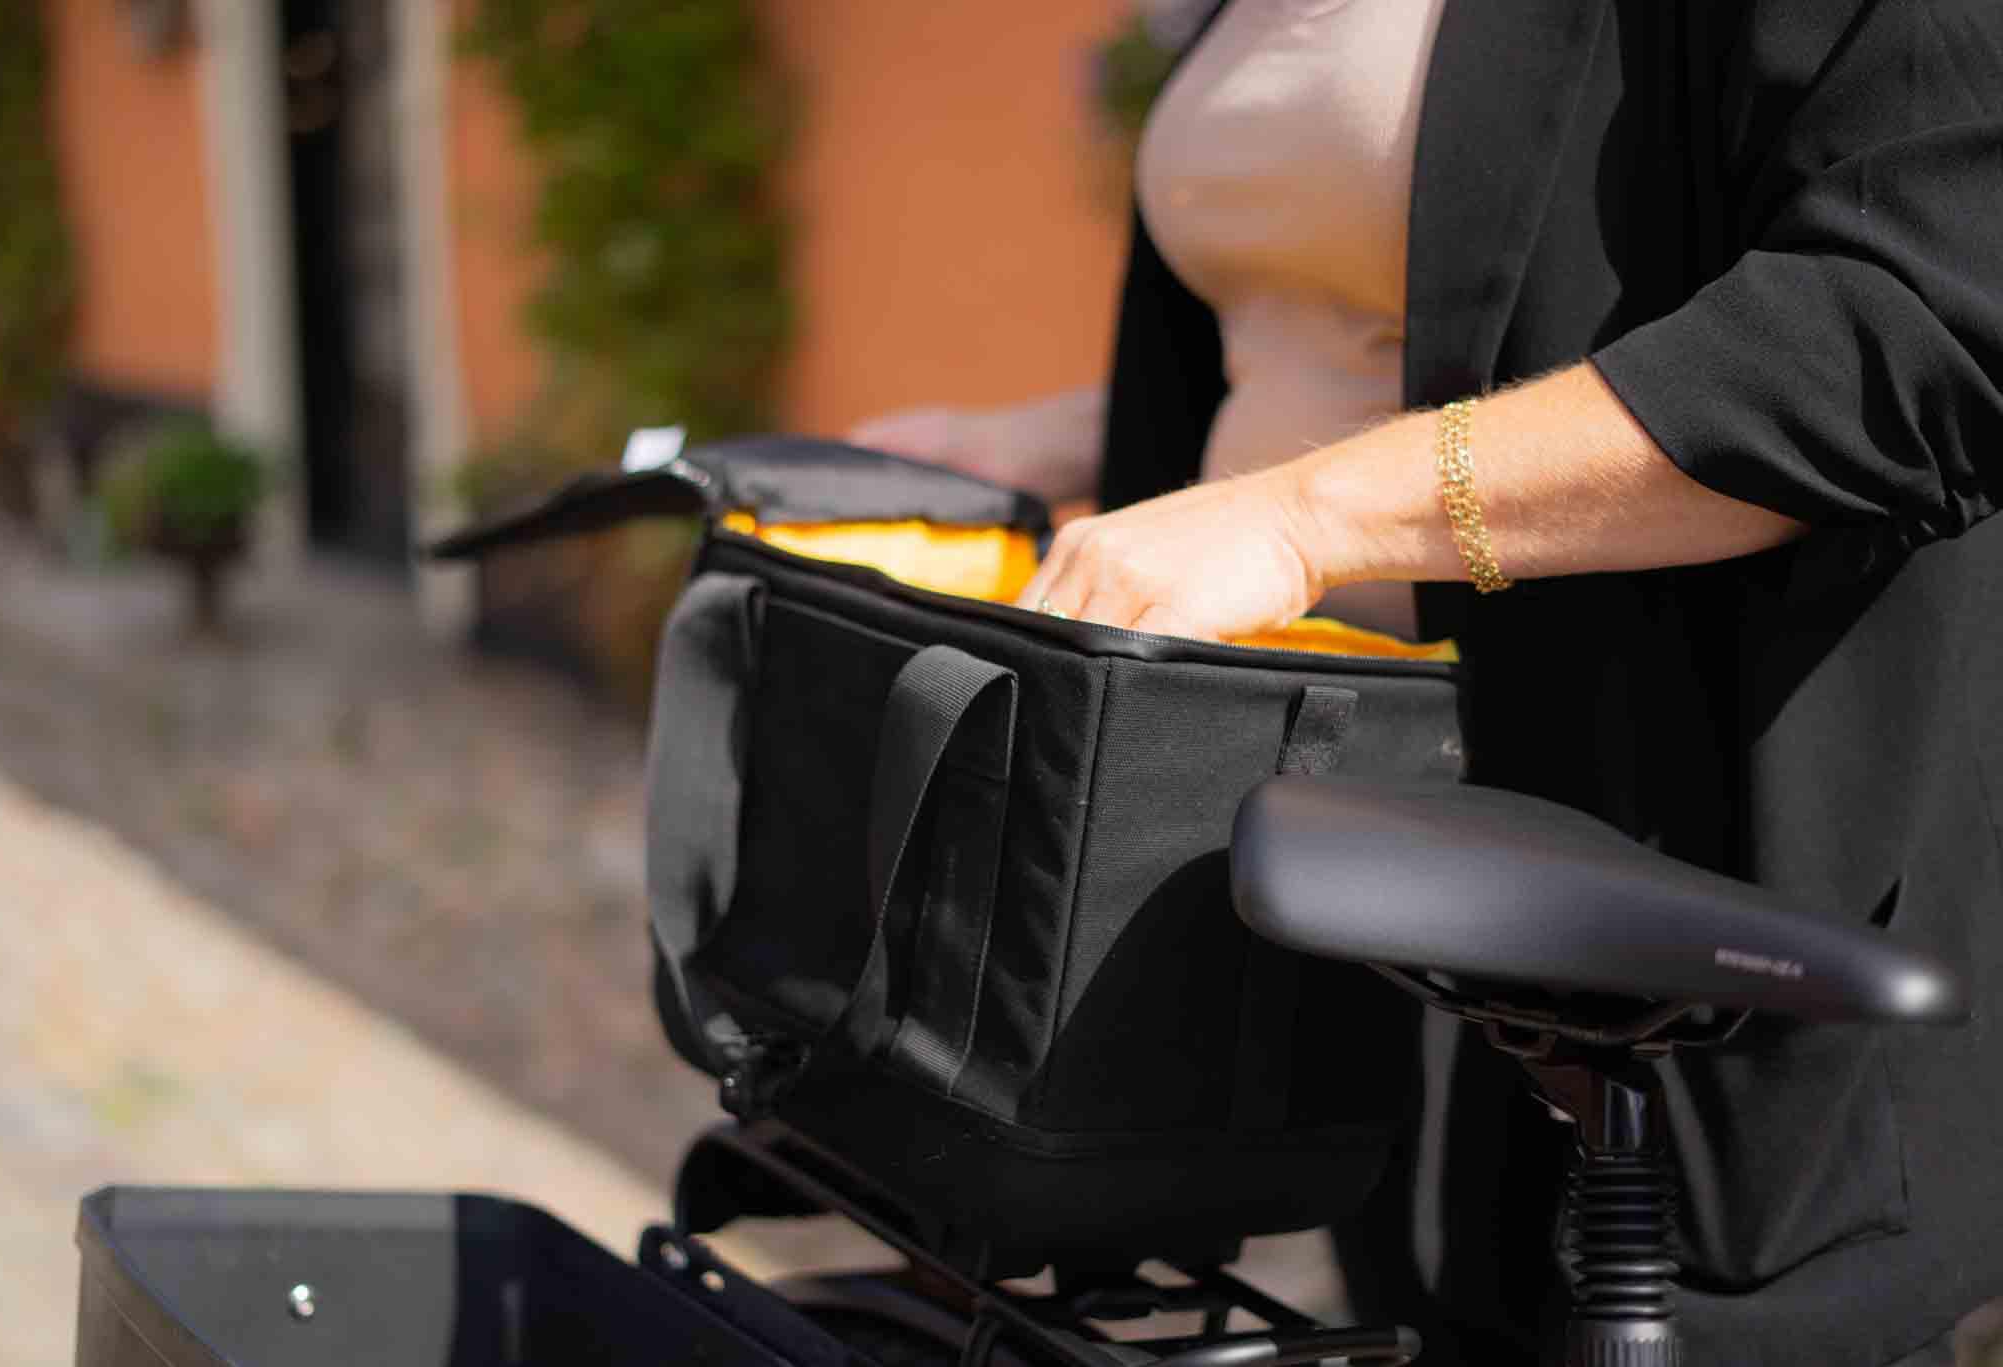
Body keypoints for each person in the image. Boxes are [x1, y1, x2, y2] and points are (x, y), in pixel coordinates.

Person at [850, 2, 2003, 1364]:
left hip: (1672, 879)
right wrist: (1013, 443)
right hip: (1349, 837)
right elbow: (1357, 328)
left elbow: (1917, 325)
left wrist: (1299, 522)